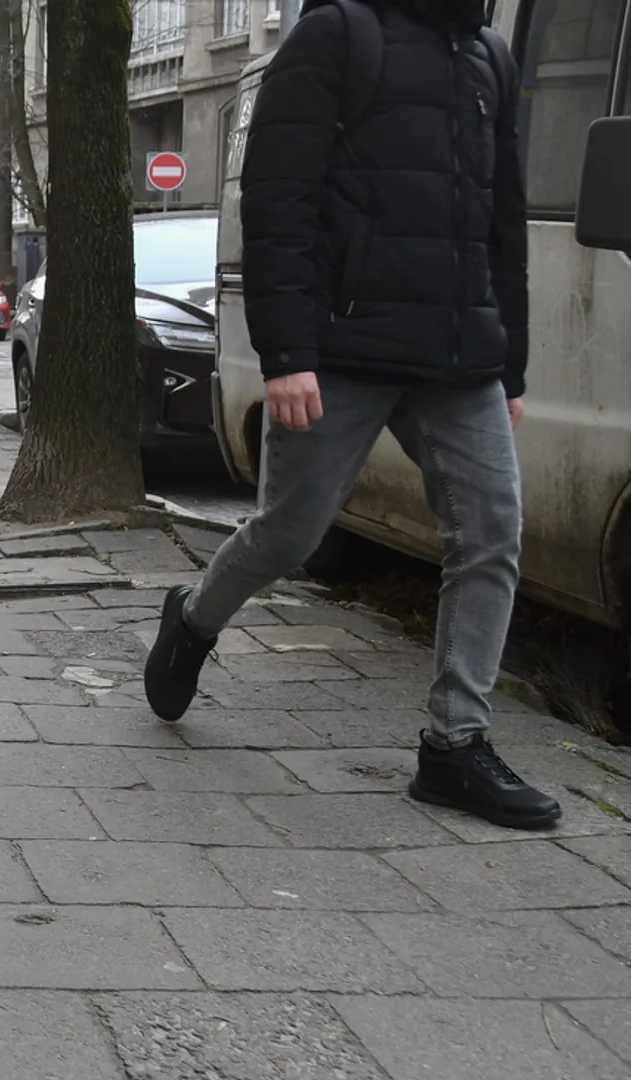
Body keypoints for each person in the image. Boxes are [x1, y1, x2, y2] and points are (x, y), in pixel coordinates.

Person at [142, 0, 559, 829]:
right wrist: (288, 355)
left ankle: (455, 746)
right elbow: (278, 196)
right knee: (289, 534)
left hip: (458, 357)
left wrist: (508, 361)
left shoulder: (489, 57)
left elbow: (500, 218)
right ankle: (193, 618)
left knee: (492, 533)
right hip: (344, 348)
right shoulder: (340, 33)